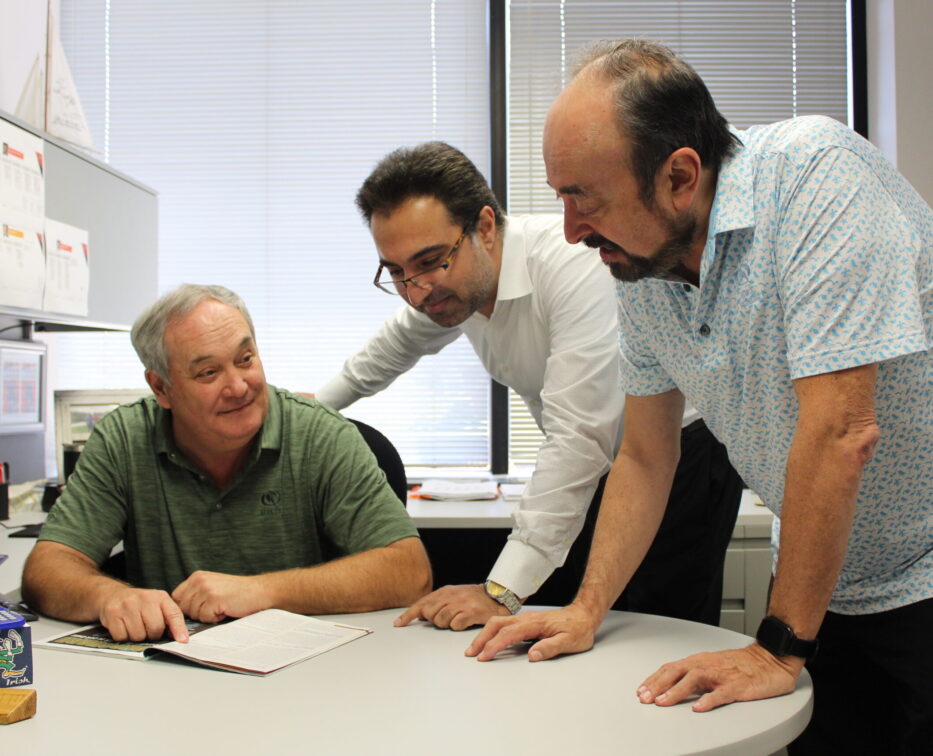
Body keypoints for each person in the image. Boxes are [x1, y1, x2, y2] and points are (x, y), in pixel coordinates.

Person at [465, 39, 933, 756]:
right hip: (828, 582)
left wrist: (776, 648)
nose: (569, 231)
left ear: (680, 175)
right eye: (560, 198)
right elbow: (646, 457)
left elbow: (840, 430)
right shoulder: (643, 268)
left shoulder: (815, 176)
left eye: (584, 198)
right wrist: (587, 609)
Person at [315, 141, 743, 631]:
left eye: (430, 261)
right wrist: (307, 411)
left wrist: (500, 591)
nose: (416, 291)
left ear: (485, 227)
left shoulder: (572, 265)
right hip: (599, 466)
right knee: (588, 629)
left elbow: (578, 437)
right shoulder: (452, 289)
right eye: (396, 272)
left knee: (651, 632)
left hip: (676, 459)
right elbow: (391, 348)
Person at [22, 284, 432, 642]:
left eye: (245, 359)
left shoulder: (321, 435)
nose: (238, 387)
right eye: (207, 372)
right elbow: (47, 570)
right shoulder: (124, 440)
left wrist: (262, 592)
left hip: (311, 680)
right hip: (169, 679)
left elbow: (408, 572)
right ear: (161, 387)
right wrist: (108, 596)